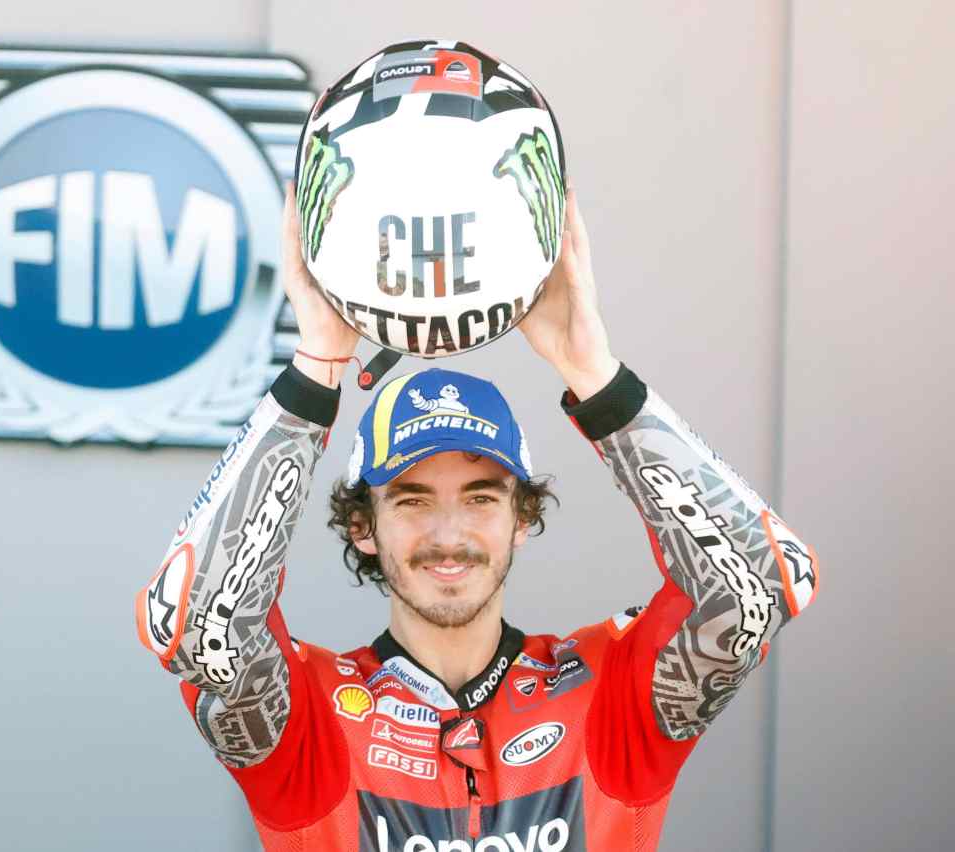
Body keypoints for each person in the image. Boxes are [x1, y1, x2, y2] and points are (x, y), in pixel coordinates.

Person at [136, 184, 819, 851]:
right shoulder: (312, 722)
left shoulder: (607, 697)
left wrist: (595, 375)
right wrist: (315, 368)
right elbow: (194, 625)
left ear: (522, 517)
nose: (448, 534)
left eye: (481, 498)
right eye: (412, 500)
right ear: (362, 527)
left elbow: (760, 587)